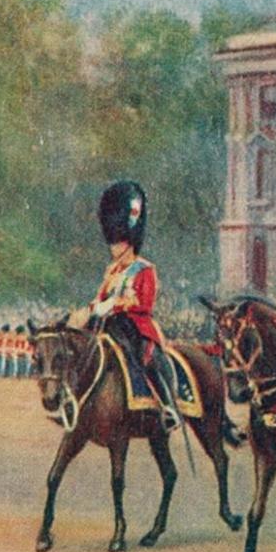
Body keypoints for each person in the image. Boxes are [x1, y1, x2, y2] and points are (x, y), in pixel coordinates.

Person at [66, 179, 180, 430]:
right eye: (112, 241)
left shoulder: (145, 270)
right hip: (108, 324)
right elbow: (100, 297)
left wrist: (115, 305)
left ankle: (168, 405)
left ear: (128, 241)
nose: (113, 247)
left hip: (135, 326)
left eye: (117, 242)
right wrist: (92, 309)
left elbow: (144, 304)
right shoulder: (112, 271)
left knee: (145, 355)